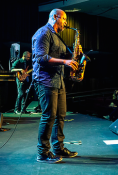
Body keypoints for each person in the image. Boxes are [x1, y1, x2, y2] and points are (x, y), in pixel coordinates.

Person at [33, 9, 85, 163]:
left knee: (60, 115)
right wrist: (65, 62)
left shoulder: (57, 37)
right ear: (55, 17)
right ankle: (42, 153)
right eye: (64, 19)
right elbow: (41, 58)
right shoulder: (43, 33)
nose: (66, 23)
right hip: (45, 80)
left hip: (58, 80)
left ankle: (58, 148)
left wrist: (74, 55)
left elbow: (61, 57)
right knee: (49, 116)